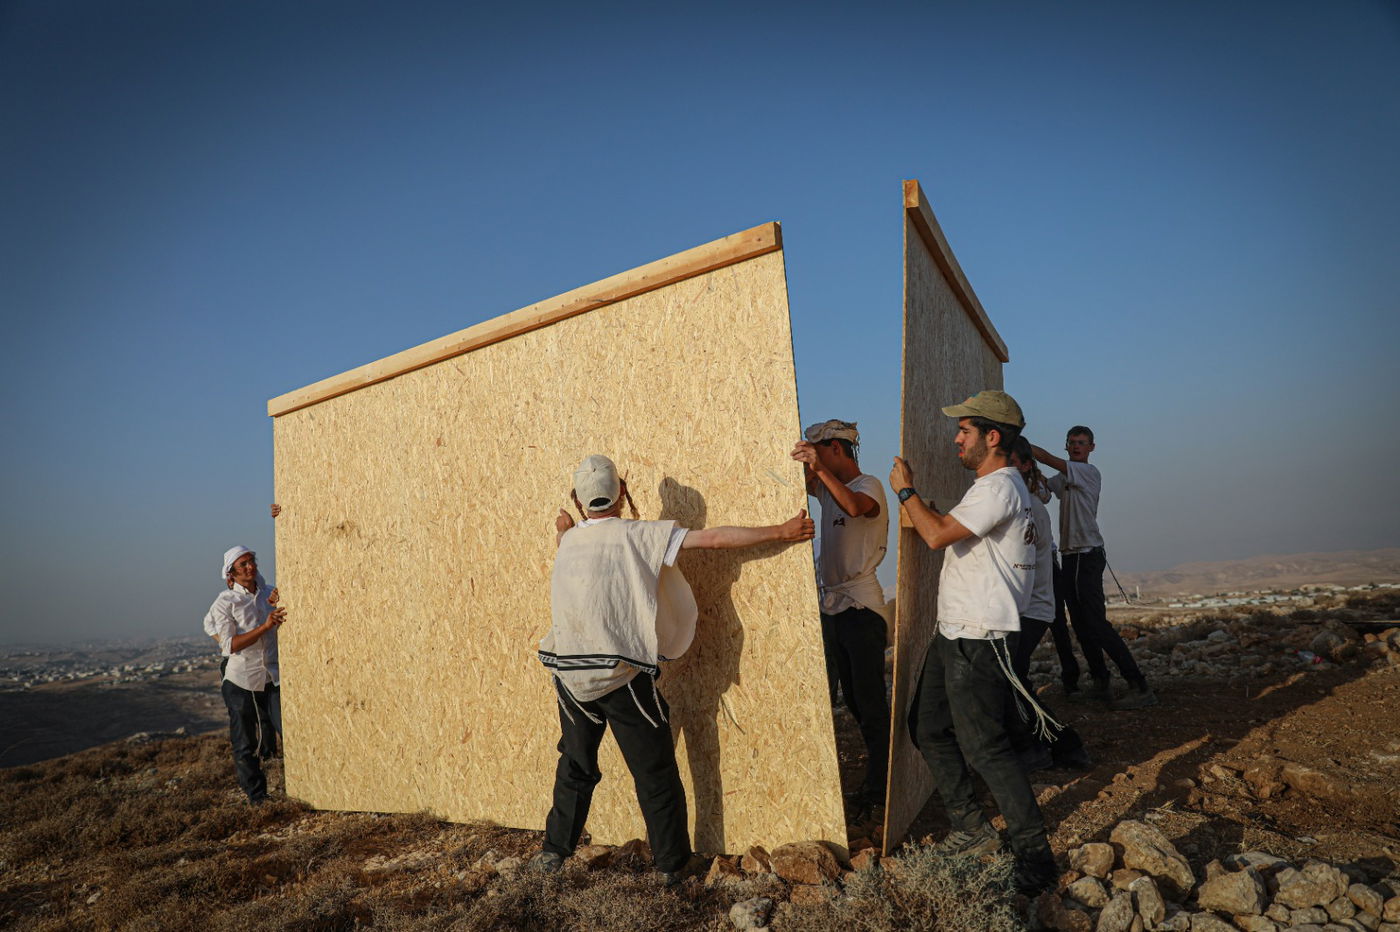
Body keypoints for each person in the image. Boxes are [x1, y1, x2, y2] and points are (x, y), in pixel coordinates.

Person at [530, 454, 815, 884]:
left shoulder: (570, 541)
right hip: (620, 675)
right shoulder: (641, 535)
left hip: (569, 674)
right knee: (655, 772)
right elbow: (715, 539)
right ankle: (670, 867)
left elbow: (568, 533)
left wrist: (562, 525)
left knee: (575, 764)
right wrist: (782, 530)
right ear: (623, 494)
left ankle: (553, 854)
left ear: (577, 499)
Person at [888, 389, 1058, 895]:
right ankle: (974, 831)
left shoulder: (998, 487)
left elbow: (938, 536)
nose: (955, 439)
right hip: (956, 634)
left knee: (987, 750)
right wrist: (926, 511)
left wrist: (905, 492)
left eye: (964, 431)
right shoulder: (994, 489)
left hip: (979, 638)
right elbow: (950, 531)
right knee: (928, 728)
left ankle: (1036, 859)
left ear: (992, 437)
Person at [791, 419, 890, 806]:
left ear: (836, 449)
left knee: (869, 700)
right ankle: (872, 777)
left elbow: (853, 508)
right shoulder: (826, 489)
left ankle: (882, 782)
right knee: (850, 699)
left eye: (819, 451)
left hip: (862, 609)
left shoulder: (868, 486)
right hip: (834, 608)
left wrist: (817, 470)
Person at [1031, 427, 1157, 710]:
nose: (1076, 447)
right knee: (1082, 625)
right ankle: (1101, 682)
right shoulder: (1065, 477)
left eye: (1081, 443)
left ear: (1091, 448)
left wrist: (1023, 447)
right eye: (1073, 443)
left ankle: (1138, 684)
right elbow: (1043, 494)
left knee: (1096, 624)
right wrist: (1033, 475)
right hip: (1072, 558)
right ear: (1067, 445)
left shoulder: (1088, 473)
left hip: (1085, 557)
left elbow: (1046, 459)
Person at [1005, 437, 1091, 771]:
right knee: (1014, 679)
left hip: (1028, 609)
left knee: (1010, 680)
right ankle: (1056, 746)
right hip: (1027, 608)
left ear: (1026, 465)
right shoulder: (1024, 501)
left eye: (1010, 461)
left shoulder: (1027, 506)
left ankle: (1046, 746)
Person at [206, 546, 285, 804]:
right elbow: (229, 645)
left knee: (289, 731)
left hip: (272, 677)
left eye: (252, 561)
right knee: (245, 743)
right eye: (243, 565)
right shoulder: (225, 602)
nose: (250, 567)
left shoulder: (268, 594)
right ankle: (257, 797)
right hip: (242, 682)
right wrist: (264, 627)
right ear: (231, 574)